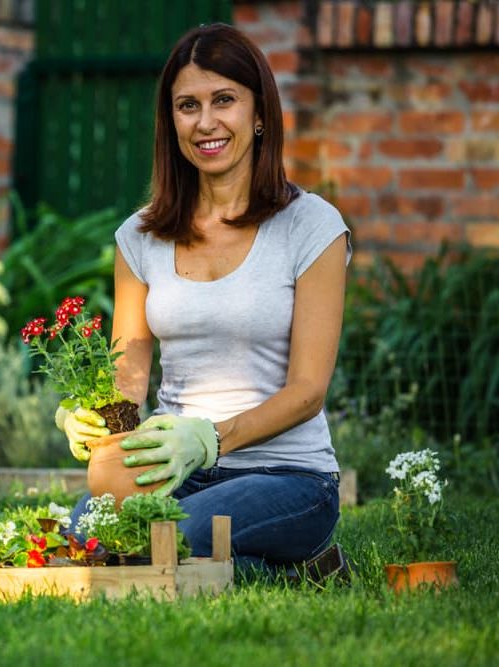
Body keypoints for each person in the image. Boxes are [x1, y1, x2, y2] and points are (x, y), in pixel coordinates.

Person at [55, 23, 351, 581]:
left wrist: (211, 438)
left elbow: (308, 392)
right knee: (86, 538)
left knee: (173, 535)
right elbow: (128, 374)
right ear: (171, 121)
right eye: (187, 105)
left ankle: (288, 563)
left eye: (224, 101)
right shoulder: (139, 237)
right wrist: (90, 416)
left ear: (259, 113)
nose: (206, 122)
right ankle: (277, 569)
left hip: (287, 477)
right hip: (175, 470)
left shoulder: (311, 227)